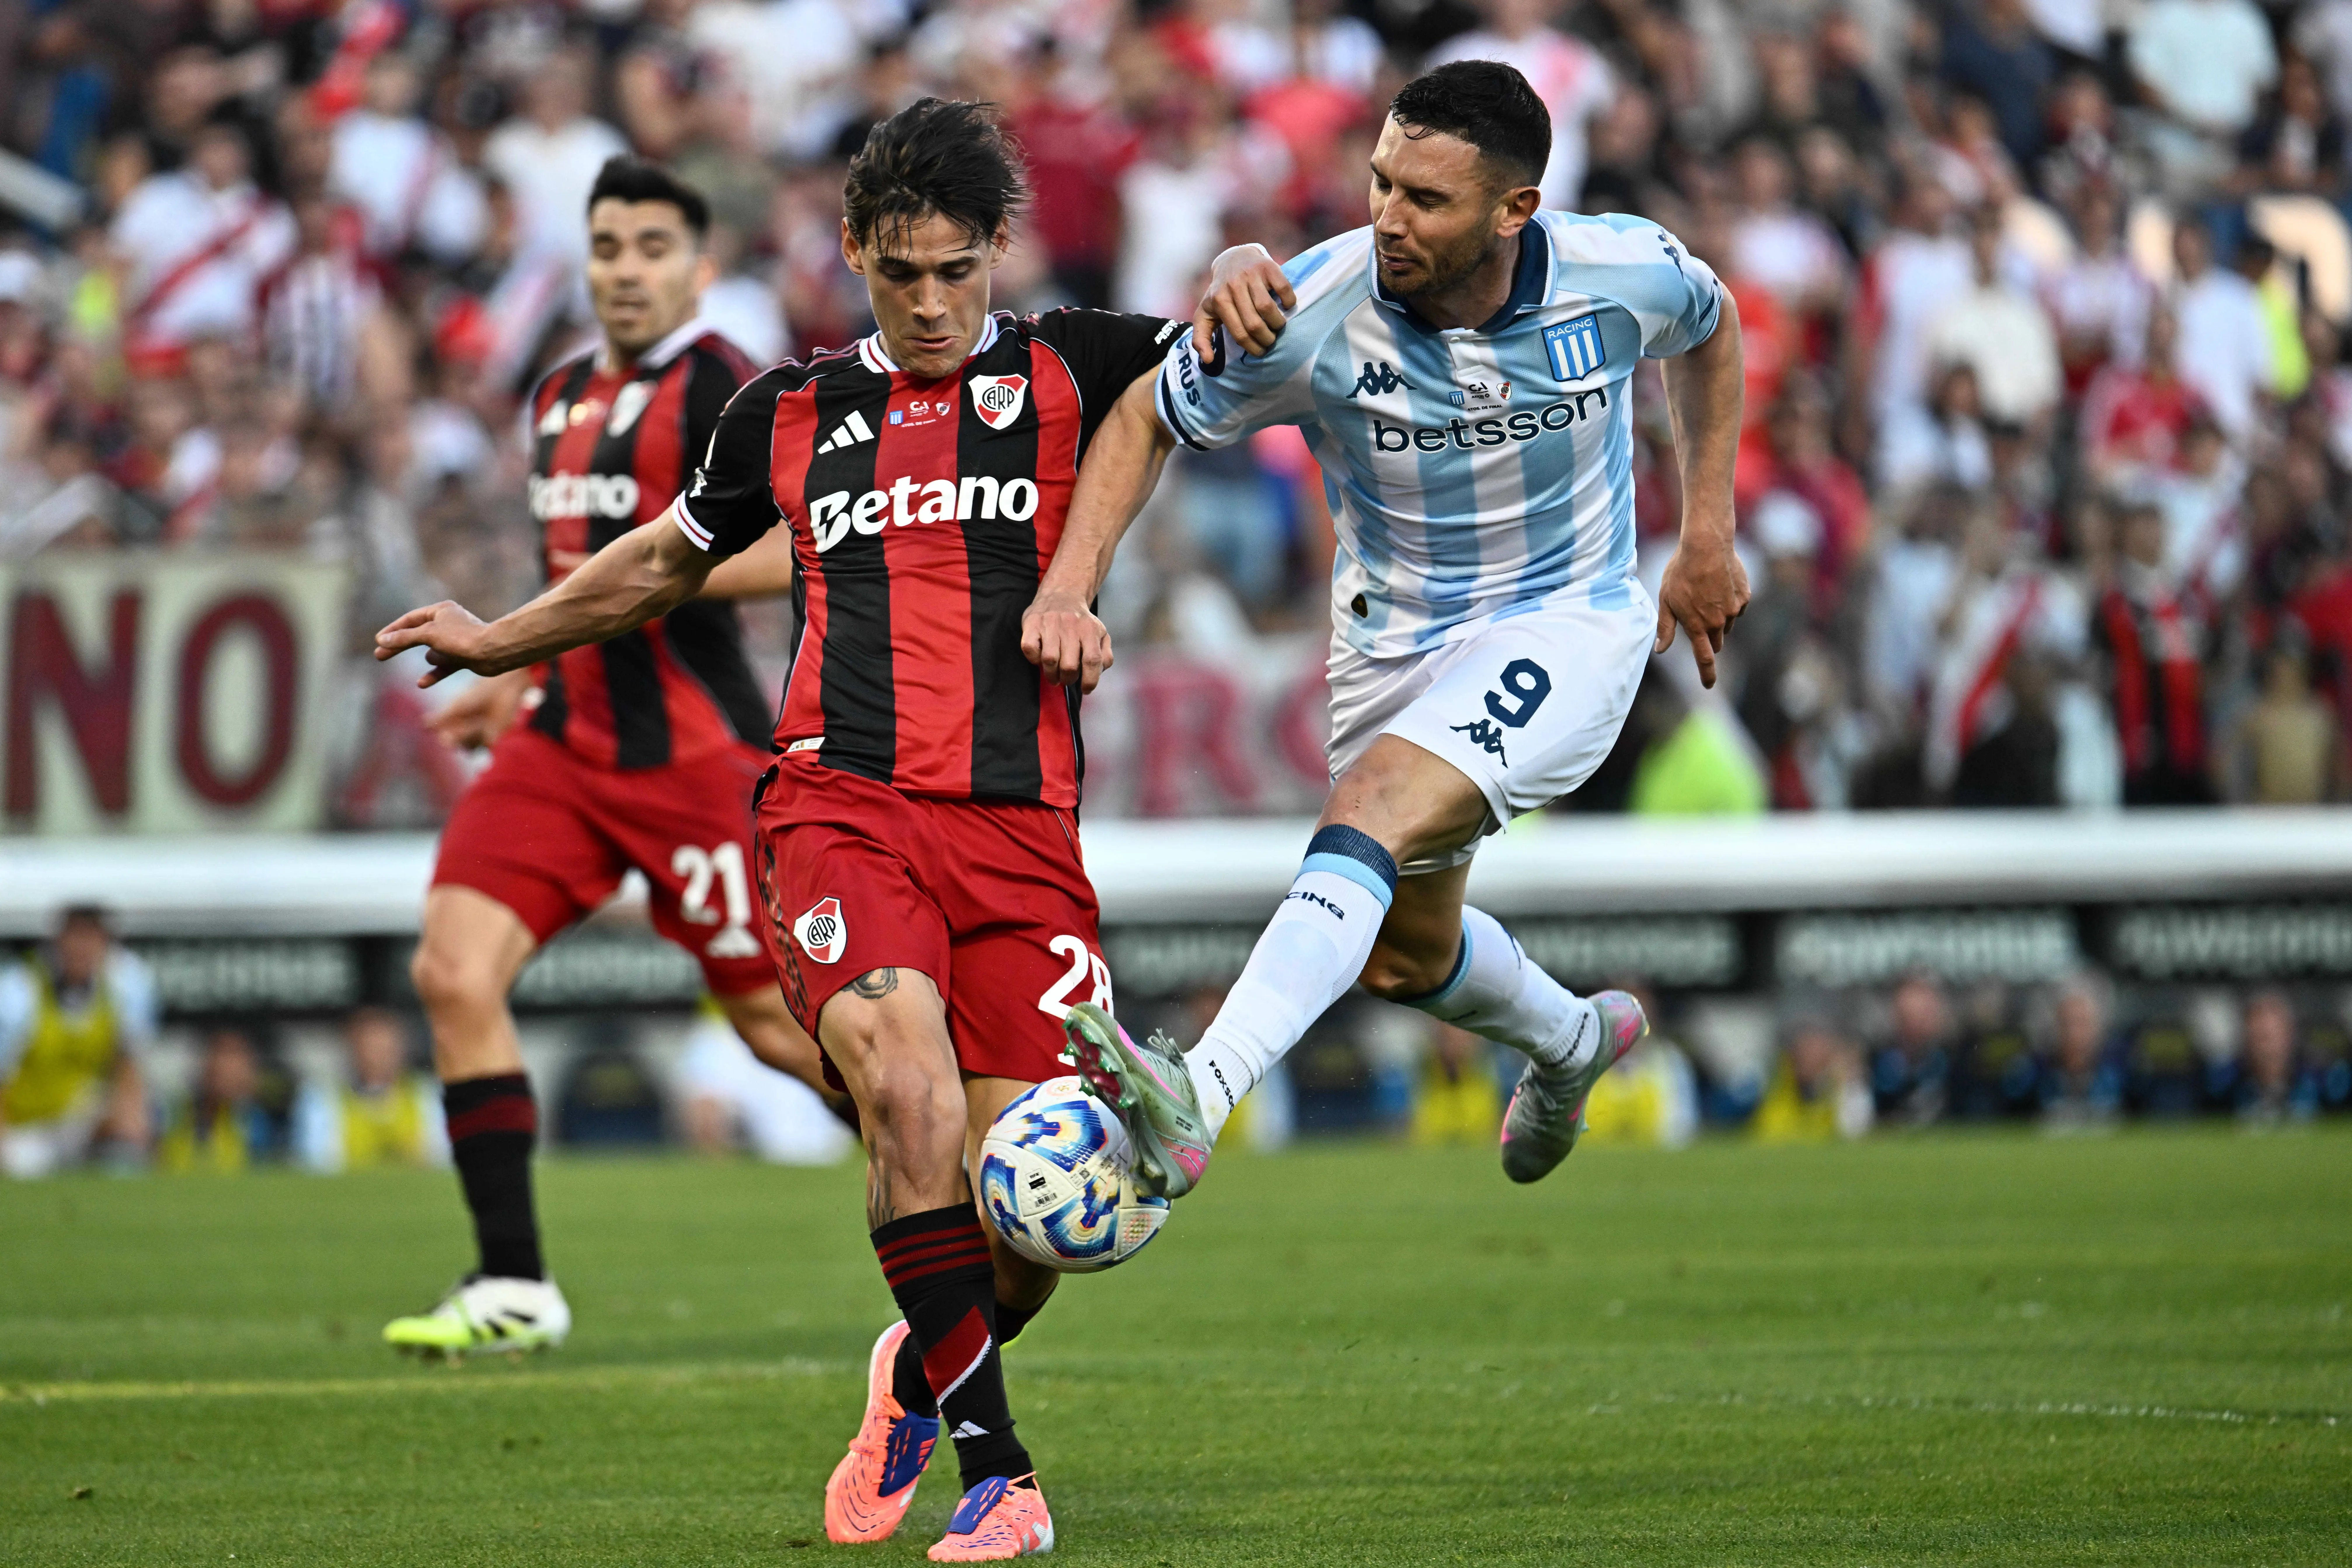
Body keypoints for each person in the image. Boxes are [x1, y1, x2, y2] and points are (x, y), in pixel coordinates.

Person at [374, 99, 1285, 1561]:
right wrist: (507, 641)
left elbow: (1232, 342)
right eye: (897, 273)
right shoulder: (786, 411)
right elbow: (662, 562)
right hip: (837, 809)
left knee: (1033, 1222)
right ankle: (1003, 1475)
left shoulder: (1077, 359)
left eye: (954, 271)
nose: (928, 305)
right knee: (903, 1096)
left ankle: (920, 1362)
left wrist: (1244, 253)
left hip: (1023, 831)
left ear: (998, 249)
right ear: (854, 252)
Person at [1024, 62, 1748, 1198]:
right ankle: (1567, 1040)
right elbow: (1143, 413)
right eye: (1379, 183)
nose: (1387, 218)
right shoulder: (1313, 310)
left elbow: (1711, 328)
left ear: (1515, 210)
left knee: (1363, 814)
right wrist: (1070, 586)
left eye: (1425, 199)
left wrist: (1706, 534)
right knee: (1405, 956)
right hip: (1388, 650)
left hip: (1568, 620)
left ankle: (1196, 1096)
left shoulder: (1621, 269)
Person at [379, 157, 824, 1363]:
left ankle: (972, 1185)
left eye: (650, 248)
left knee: (786, 1036)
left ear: (698, 264)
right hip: (561, 747)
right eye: (609, 246)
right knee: (452, 971)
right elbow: (568, 566)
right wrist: (518, 670)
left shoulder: (733, 381)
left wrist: (656, 575)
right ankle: (514, 1280)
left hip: (696, 756)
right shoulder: (559, 391)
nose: (626, 269)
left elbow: (797, 547)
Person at [0, 906, 156, 1179]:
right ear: (57, 941)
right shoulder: (19, 990)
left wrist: (132, 1123)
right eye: (75, 937)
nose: (81, 949)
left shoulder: (127, 984)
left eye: (91, 938)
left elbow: (130, 1067)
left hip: (85, 1122)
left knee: (128, 1138)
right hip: (26, 1128)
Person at [295, 1007, 450, 1173]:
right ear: (352, 1048)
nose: (377, 1056)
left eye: (384, 1047)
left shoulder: (427, 1094)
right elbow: (315, 1164)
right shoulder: (323, 1098)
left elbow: (443, 1159)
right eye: (369, 1046)